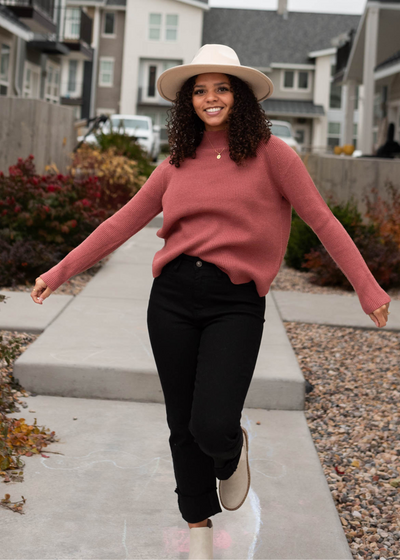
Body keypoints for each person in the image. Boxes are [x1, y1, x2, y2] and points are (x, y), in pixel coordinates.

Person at [30, 45, 391, 559]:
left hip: (235, 303)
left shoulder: (272, 154)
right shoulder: (176, 162)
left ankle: (232, 450)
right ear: (188, 103)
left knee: (211, 424)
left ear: (239, 95)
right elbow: (120, 224)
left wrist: (367, 288)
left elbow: (323, 221)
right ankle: (199, 533)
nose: (210, 98)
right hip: (171, 300)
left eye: (221, 88)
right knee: (182, 425)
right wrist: (60, 271)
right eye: (200, 90)